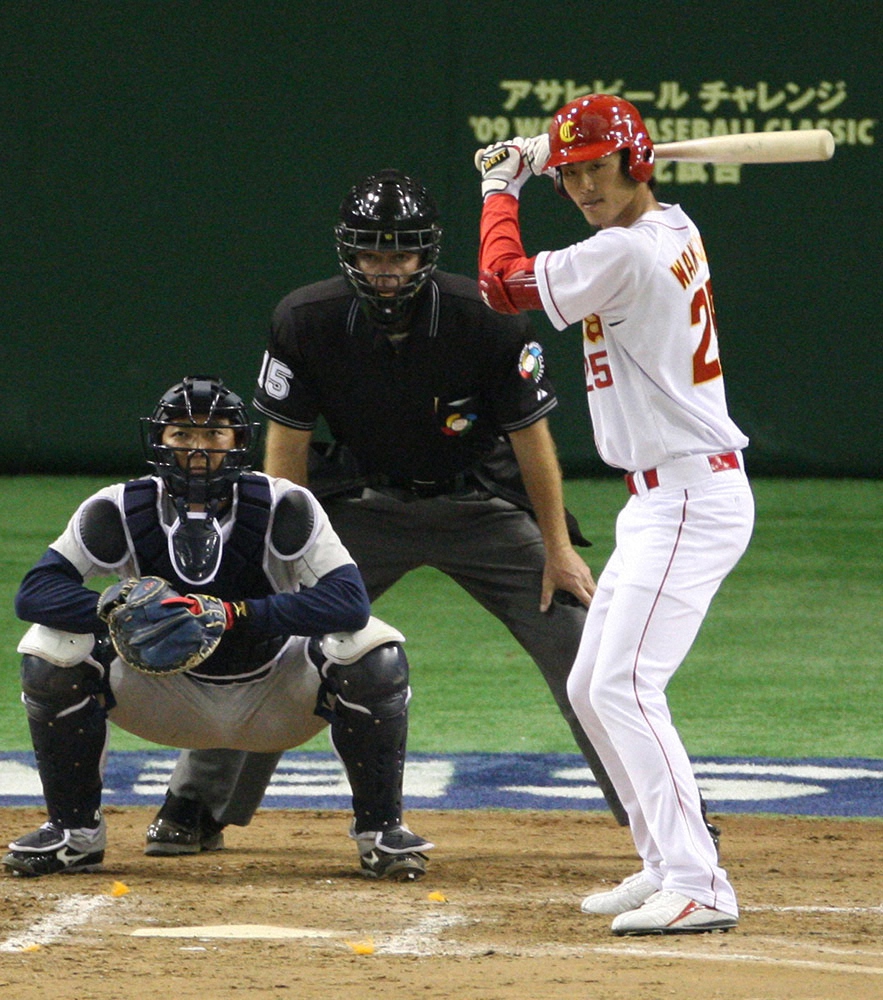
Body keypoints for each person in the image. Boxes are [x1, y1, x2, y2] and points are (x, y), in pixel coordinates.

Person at [142, 168, 632, 857]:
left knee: (580, 641)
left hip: (481, 507)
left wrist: (557, 548)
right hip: (361, 507)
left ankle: (658, 815)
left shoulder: (487, 316)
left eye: (400, 253)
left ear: (426, 253)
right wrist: (283, 560)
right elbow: (286, 455)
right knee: (267, 631)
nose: (386, 269)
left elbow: (532, 441)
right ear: (347, 253)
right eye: (371, 253)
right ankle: (196, 802)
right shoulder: (305, 320)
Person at [474, 95, 754, 935]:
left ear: (636, 164)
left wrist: (502, 184)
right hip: (660, 497)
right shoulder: (671, 225)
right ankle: (665, 861)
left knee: (627, 686)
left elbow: (501, 286)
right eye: (572, 175)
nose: (584, 186)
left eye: (597, 168)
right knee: (593, 685)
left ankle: (701, 881)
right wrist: (549, 160)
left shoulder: (627, 254)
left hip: (689, 498)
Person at [4, 375, 433, 881]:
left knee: (373, 649)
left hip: (277, 694)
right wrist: (116, 605)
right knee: (50, 647)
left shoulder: (283, 503)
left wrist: (234, 615)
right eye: (182, 435)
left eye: (214, 434)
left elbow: (348, 602)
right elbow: (35, 592)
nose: (198, 449)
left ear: (238, 442)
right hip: (164, 695)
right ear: (159, 442)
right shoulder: (117, 506)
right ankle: (74, 836)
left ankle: (381, 834)